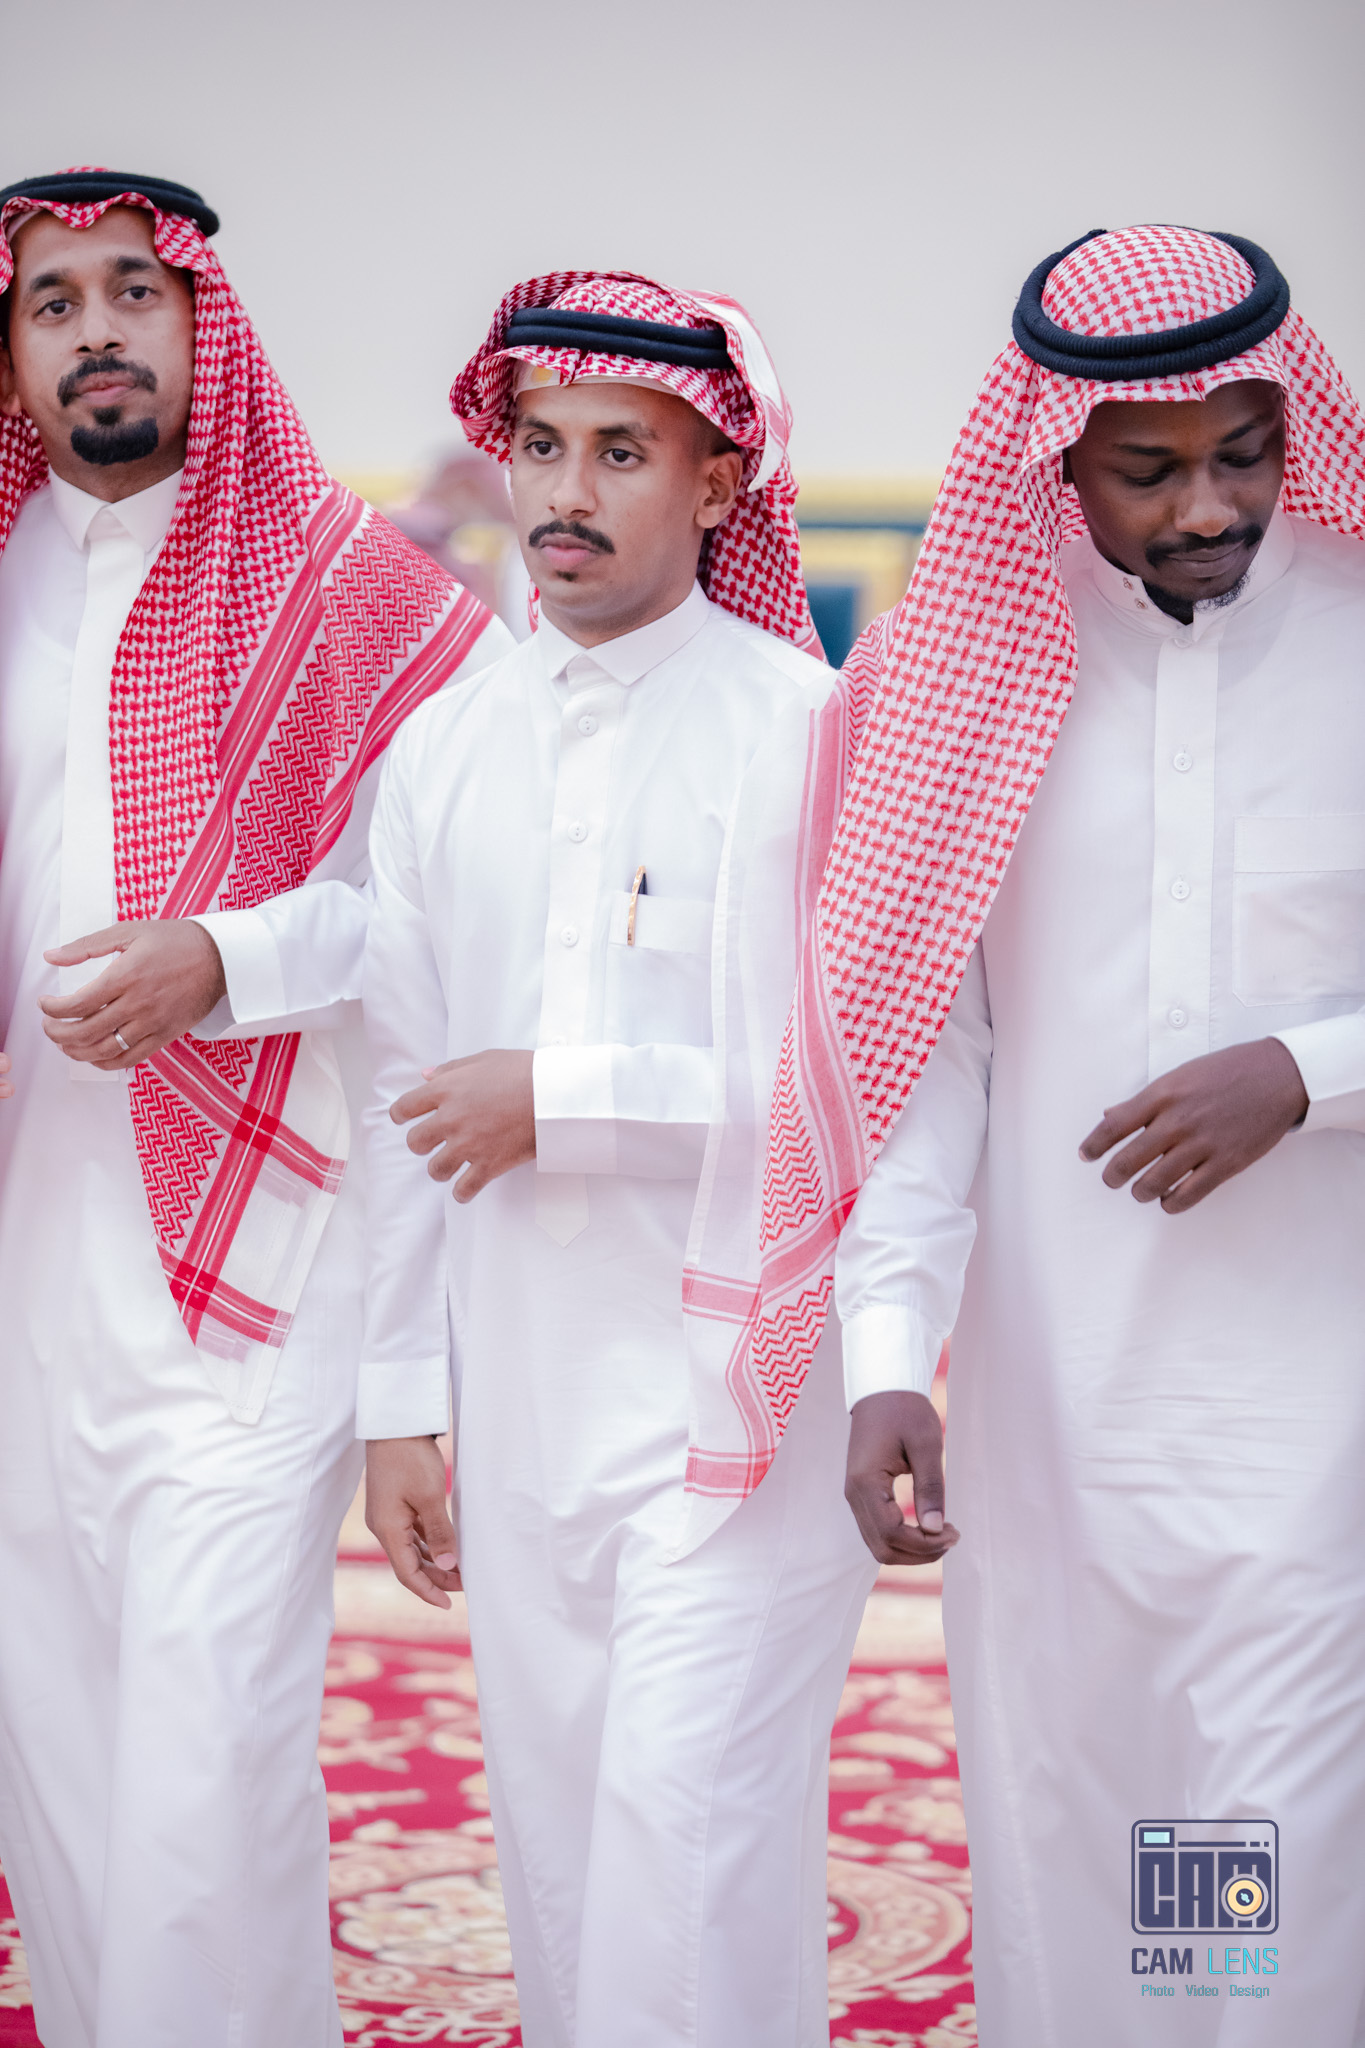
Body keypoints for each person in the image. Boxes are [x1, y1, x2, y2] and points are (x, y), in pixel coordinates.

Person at [743, 224, 1365, 2044]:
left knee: (1269, 1853)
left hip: (1318, 1415)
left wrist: (1308, 1071)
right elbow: (923, 1057)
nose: (1205, 509)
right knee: (1087, 1836)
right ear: (1055, 461)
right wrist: (885, 1357)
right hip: (1060, 1415)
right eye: (1147, 472)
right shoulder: (957, 675)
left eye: (1242, 455)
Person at [0, 167, 511, 2048]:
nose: (99, 330)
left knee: (199, 1787)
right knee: (56, 1768)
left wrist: (222, 957)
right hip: (30, 1260)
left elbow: (454, 908)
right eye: (54, 302)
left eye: (135, 289)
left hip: (266, 1265)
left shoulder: (348, 590)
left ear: (202, 318)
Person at [360, 271, 887, 2048]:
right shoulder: (443, 749)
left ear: (719, 484)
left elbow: (864, 1077)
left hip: (737, 1404)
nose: (565, 492)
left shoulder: (803, 729)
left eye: (620, 452)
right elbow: (400, 1093)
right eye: (540, 446)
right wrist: (395, 1401)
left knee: (686, 1843)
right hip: (521, 1398)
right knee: (570, 1862)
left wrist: (569, 1097)